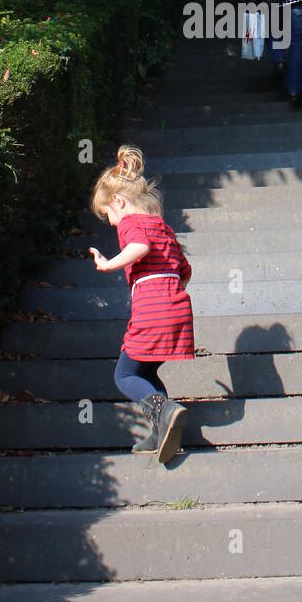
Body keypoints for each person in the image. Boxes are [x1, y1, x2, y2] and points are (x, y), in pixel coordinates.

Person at [89, 146, 194, 464]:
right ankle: (161, 429)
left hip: (151, 309)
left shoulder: (131, 224)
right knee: (145, 370)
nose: (110, 222)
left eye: (107, 214)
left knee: (124, 375)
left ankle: (166, 410)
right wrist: (170, 294)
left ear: (118, 202)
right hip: (177, 306)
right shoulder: (164, 227)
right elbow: (185, 270)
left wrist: (110, 265)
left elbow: (139, 246)